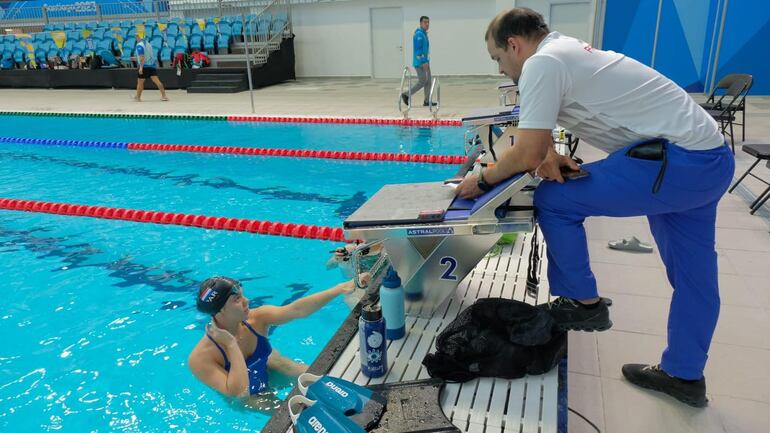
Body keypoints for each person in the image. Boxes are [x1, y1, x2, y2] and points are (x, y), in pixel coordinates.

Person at [455, 8, 734, 407]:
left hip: (676, 164)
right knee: (696, 280)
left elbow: (527, 151)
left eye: (497, 58)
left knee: (554, 200)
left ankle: (581, 302)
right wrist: (547, 154)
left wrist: (481, 180)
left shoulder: (542, 64)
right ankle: (684, 375)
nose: (500, 69)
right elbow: (540, 139)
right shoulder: (564, 51)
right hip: (710, 159)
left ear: (513, 45)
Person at [188, 273, 370, 401]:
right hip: (250, 397)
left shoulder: (257, 318)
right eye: (237, 300)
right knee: (286, 411)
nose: (247, 301)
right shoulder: (201, 358)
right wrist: (231, 345)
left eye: (242, 295)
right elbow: (238, 392)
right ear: (219, 311)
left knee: (316, 378)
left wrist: (339, 288)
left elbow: (296, 310)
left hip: (272, 369)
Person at [401, 16, 436, 107]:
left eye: (428, 22)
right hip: (420, 62)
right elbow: (418, 50)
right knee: (422, 81)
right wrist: (423, 61)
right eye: (425, 22)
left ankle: (427, 101)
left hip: (425, 61)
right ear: (420, 23)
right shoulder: (419, 34)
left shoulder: (424, 34)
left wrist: (426, 61)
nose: (427, 24)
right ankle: (406, 94)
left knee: (428, 81)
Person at [133, 34, 168, 102]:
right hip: (152, 66)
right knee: (157, 82)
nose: (135, 38)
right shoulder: (149, 44)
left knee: (140, 82)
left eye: (136, 37)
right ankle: (164, 96)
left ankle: (138, 97)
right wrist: (136, 58)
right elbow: (147, 56)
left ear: (139, 37)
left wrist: (141, 67)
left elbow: (142, 57)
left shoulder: (139, 45)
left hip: (144, 66)